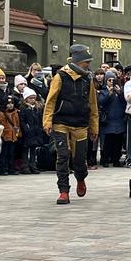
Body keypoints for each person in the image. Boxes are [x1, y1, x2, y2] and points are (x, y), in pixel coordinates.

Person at [43, 45, 99, 205]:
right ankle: (63, 191)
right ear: (78, 61)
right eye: (86, 62)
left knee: (80, 160)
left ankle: (81, 178)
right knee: (63, 156)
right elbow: (51, 100)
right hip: (61, 123)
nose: (88, 64)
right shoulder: (60, 76)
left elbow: (93, 105)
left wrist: (94, 127)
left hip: (81, 125)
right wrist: (47, 121)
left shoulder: (87, 79)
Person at [20, 87, 44, 174]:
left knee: (33, 150)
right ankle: (25, 166)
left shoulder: (37, 108)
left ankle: (33, 165)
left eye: (34, 98)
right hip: (28, 132)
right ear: (26, 99)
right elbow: (22, 120)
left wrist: (40, 129)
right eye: (30, 98)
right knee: (26, 150)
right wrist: (26, 129)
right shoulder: (24, 108)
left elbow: (40, 119)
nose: (33, 100)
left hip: (36, 131)